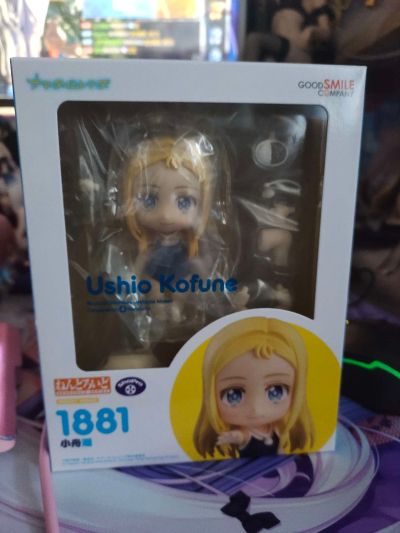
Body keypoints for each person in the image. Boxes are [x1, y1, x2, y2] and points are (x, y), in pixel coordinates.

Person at [194, 316, 314, 458]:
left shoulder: (276, 429)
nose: (256, 409)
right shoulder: (247, 434)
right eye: (234, 395)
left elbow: (280, 447)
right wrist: (233, 437)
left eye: (276, 391)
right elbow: (241, 437)